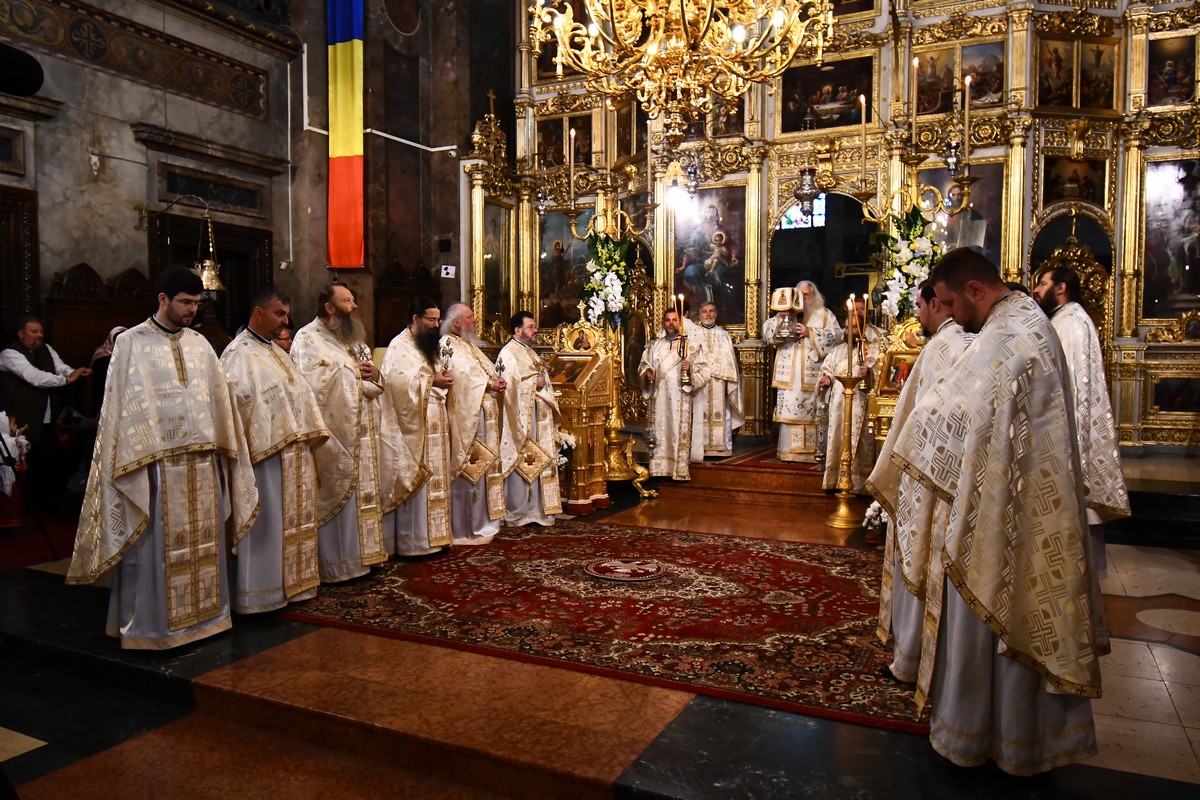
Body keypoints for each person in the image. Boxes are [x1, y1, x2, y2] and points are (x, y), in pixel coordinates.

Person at [888, 248, 1102, 775]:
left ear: (976, 291)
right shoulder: (1017, 324)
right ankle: (997, 734)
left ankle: (993, 736)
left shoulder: (1016, 335)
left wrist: (914, 439)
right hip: (1001, 494)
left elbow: (961, 414)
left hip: (1004, 509)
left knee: (999, 617)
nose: (951, 315)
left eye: (950, 303)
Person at [66, 268, 257, 649]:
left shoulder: (200, 344)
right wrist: (139, 456)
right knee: (154, 551)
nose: (191, 310)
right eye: (185, 302)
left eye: (196, 304)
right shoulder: (131, 343)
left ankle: (207, 619)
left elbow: (217, 401)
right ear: (163, 299)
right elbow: (121, 409)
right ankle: (150, 628)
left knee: (204, 545)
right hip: (155, 467)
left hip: (201, 466)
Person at [866, 280, 974, 685]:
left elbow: (918, 418)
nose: (917, 314)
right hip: (938, 472)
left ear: (935, 304)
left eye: (919, 306)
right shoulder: (960, 344)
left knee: (915, 561)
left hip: (924, 476)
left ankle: (909, 658)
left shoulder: (941, 348)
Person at [220, 290, 329, 613]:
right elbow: (236, 402)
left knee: (291, 523)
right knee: (267, 522)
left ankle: (294, 586)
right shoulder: (237, 354)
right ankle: (261, 594)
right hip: (263, 455)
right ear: (259, 312)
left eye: (286, 314)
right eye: (280, 314)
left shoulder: (276, 352)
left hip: (292, 452)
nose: (285, 320)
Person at [1032, 266, 1130, 568]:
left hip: (1067, 435)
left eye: (1043, 284)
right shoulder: (1063, 320)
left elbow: (1074, 389)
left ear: (1060, 288)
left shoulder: (1073, 324)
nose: (1036, 290)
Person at [291, 282, 388, 581]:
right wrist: (350, 374)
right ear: (330, 308)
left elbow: (371, 377)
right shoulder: (307, 339)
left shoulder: (354, 339)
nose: (354, 306)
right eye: (347, 301)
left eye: (354, 300)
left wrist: (374, 374)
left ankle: (365, 556)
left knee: (364, 493)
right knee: (337, 492)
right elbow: (308, 385)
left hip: (362, 431)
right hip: (333, 436)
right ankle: (337, 565)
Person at [377, 298, 454, 556]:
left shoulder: (427, 346)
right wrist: (433, 379)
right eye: (430, 319)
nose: (436, 325)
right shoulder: (400, 346)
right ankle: (415, 542)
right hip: (415, 424)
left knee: (437, 475)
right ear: (415, 319)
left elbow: (433, 372)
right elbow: (395, 382)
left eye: (437, 319)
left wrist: (442, 377)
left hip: (435, 417)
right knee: (419, 477)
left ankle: (437, 537)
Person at [0, 316, 91, 507]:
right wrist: (67, 380)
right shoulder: (9, 353)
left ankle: (45, 503)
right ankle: (22, 507)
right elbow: (35, 377)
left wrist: (75, 371)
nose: (39, 335)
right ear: (21, 334)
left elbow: (60, 368)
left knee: (47, 460)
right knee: (23, 462)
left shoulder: (47, 349)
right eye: (34, 331)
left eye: (41, 331)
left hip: (47, 416)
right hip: (22, 418)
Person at [441, 303, 507, 544]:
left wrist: (497, 382)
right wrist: (488, 385)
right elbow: (458, 378)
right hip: (468, 421)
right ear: (457, 322)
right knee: (471, 468)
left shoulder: (469, 346)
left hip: (483, 419)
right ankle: (466, 526)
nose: (475, 320)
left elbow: (486, 371)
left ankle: (484, 521)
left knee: (484, 467)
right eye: (470, 317)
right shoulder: (447, 345)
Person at [762, 281, 842, 463]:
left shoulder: (824, 315)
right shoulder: (784, 314)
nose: (802, 298)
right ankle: (788, 451)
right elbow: (768, 335)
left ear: (814, 295)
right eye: (799, 294)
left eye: (806, 295)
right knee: (790, 409)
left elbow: (837, 336)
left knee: (814, 410)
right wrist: (782, 321)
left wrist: (810, 332)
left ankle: (814, 452)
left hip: (813, 373)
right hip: (789, 375)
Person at [497, 311, 563, 526]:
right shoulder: (508, 354)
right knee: (523, 460)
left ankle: (538, 510)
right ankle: (518, 512)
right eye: (531, 327)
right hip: (522, 421)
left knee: (540, 459)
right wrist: (531, 385)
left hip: (538, 418)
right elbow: (507, 386)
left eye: (535, 326)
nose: (535, 331)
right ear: (518, 330)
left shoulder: (530, 353)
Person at [817, 297, 886, 493]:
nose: (850, 332)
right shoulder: (839, 350)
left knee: (862, 443)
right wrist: (826, 379)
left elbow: (885, 371)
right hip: (840, 405)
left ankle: (859, 484)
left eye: (854, 328)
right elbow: (828, 367)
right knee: (839, 438)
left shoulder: (875, 347)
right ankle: (837, 479)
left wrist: (871, 373)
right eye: (847, 327)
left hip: (861, 402)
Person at [640, 309, 710, 480]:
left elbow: (705, 370)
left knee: (677, 431)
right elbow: (644, 365)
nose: (671, 323)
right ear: (663, 323)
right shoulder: (654, 346)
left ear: (680, 323)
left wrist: (690, 370)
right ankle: (659, 469)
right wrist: (648, 372)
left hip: (681, 397)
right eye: (668, 320)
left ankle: (678, 470)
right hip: (660, 398)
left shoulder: (692, 346)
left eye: (674, 320)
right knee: (660, 431)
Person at [693, 301, 743, 457]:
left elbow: (730, 362)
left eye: (711, 311)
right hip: (699, 382)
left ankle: (722, 448)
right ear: (700, 314)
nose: (708, 314)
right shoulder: (693, 335)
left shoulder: (723, 335)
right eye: (705, 311)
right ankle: (698, 448)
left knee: (722, 414)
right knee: (699, 413)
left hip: (719, 382)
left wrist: (727, 379)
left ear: (716, 314)